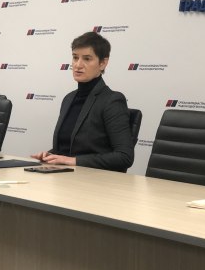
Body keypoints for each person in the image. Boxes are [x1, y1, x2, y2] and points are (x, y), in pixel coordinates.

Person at [31, 31, 134, 172]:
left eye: (87, 59)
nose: (78, 65)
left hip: (94, 180)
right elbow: (69, 148)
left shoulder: (112, 100)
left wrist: (73, 161)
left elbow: (124, 157)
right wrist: (51, 155)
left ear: (103, 63)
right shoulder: (68, 98)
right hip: (64, 175)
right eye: (75, 57)